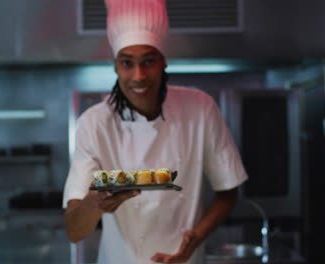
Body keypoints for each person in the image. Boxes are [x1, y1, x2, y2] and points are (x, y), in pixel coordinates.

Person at [63, 0, 248, 263]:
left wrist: (195, 239)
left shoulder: (201, 109)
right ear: (115, 66)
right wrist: (93, 204)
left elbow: (228, 192)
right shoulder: (94, 124)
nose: (138, 76)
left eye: (148, 61)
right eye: (127, 63)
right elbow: (73, 230)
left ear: (163, 62)